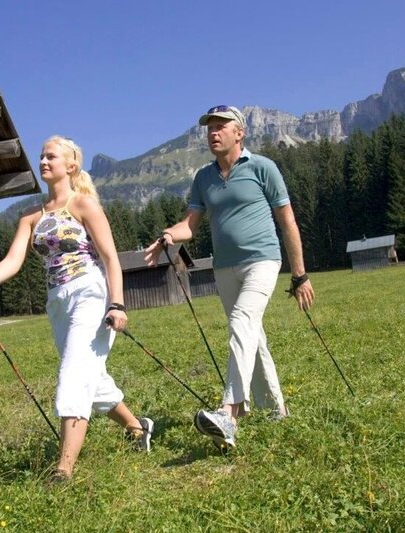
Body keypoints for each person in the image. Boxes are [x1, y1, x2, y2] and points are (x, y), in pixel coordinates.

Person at [0, 135, 153, 482]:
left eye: (51, 157)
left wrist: (117, 303)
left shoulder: (83, 205)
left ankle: (63, 469)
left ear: (70, 165)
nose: (44, 162)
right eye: (42, 157)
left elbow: (110, 257)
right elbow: (13, 261)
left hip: (90, 292)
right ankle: (138, 428)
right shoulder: (30, 217)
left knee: (74, 375)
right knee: (90, 374)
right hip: (57, 301)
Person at [144, 105, 314, 451]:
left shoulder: (263, 168)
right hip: (224, 268)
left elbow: (288, 222)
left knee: (241, 321)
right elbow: (189, 225)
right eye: (209, 128)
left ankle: (229, 413)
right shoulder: (203, 178)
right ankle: (276, 409)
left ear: (240, 133)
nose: (213, 133)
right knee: (252, 334)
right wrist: (169, 236)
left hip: (262, 261)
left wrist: (300, 275)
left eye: (221, 126)